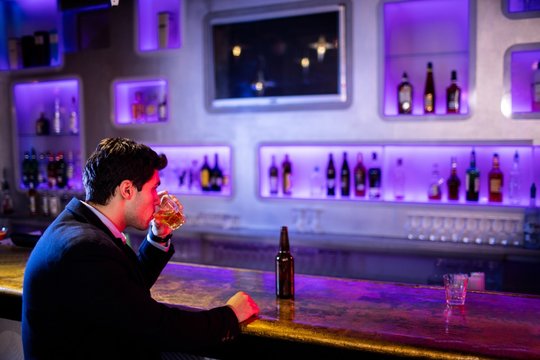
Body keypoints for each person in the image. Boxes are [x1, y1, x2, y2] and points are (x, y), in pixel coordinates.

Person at [22, 137, 259, 359]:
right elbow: (157, 327)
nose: (158, 198)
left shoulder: (77, 225)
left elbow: (122, 292)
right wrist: (229, 315)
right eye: (154, 188)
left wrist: (158, 236)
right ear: (127, 190)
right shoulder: (85, 248)